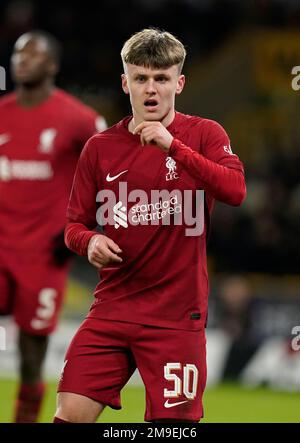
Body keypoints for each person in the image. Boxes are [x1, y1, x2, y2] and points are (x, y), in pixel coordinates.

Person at [54, 28, 246, 423]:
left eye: (161, 78)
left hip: (177, 320)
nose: (151, 88)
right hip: (111, 310)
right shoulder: (100, 148)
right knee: (69, 414)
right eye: (141, 78)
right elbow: (73, 224)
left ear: (179, 82)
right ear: (126, 83)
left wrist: (173, 146)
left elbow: (235, 190)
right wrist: (88, 241)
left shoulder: (205, 135)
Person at [0, 30, 107, 423]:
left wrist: (83, 226)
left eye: (33, 54)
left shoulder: (77, 119)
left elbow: (111, 169)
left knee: (30, 359)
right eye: (17, 53)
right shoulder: (2, 113)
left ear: (53, 65)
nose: (22, 60)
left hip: (42, 255)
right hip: (0, 245)